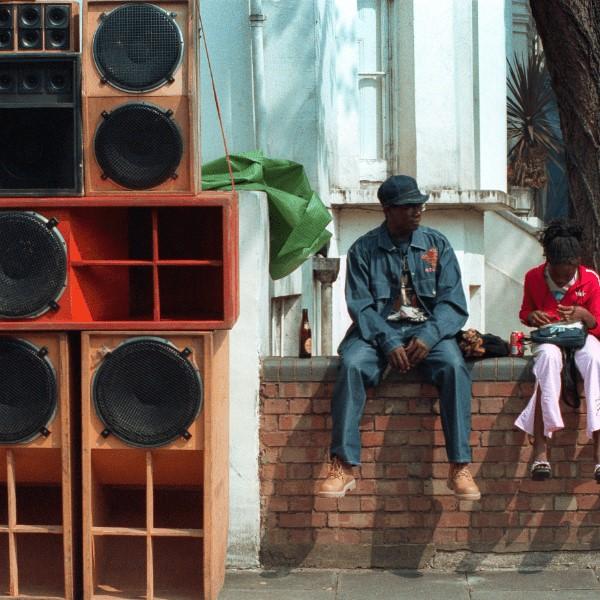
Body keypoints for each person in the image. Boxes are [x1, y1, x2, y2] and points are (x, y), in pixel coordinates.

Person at [318, 175, 480, 501]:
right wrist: (388, 340)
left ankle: (459, 466)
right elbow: (361, 307)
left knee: (453, 365)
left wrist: (431, 335)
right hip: (377, 333)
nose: (417, 211)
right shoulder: (364, 249)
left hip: (428, 331)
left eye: (419, 204)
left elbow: (453, 303)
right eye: (408, 206)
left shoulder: (437, 245)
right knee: (351, 365)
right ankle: (343, 465)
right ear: (387, 209)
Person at [514, 220, 600, 481]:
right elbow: (525, 312)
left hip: (582, 336)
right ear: (547, 262)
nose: (562, 281)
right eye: (556, 275)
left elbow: (597, 323)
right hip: (550, 338)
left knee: (595, 360)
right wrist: (534, 317)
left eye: (567, 275)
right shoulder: (533, 276)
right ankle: (542, 450)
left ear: (577, 264)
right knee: (548, 361)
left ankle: (599, 454)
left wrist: (583, 314)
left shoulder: (591, 279)